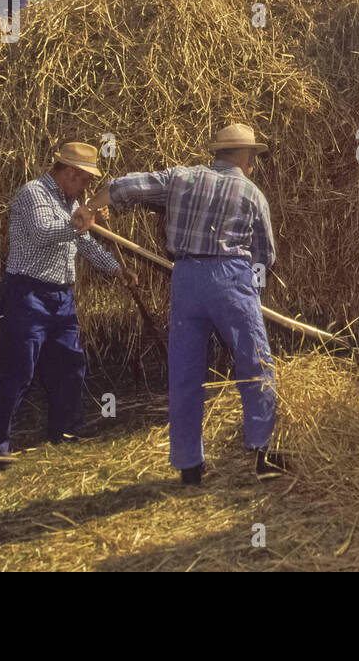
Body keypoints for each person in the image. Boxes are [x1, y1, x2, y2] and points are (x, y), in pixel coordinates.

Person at [75, 123, 287, 486]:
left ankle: (189, 465)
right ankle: (263, 453)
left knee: (186, 372)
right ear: (244, 155)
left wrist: (90, 209)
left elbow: (123, 186)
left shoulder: (180, 177)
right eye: (253, 155)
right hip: (231, 278)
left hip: (186, 278)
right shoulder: (252, 193)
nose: (254, 162)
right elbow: (264, 256)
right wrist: (247, 289)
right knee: (255, 365)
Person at [0, 142, 136, 469]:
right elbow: (41, 233)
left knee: (69, 363)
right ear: (71, 173)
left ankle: (66, 428)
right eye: (85, 180)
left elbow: (85, 244)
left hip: (61, 296)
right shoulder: (33, 193)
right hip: (26, 294)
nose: (87, 188)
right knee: (19, 369)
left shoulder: (72, 202)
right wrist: (82, 220)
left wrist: (116, 270)